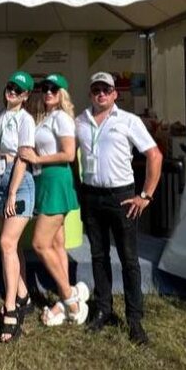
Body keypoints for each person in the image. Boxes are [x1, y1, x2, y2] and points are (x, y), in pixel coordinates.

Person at [74, 71, 162, 345]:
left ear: (115, 94)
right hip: (91, 196)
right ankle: (104, 310)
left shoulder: (128, 120)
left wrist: (145, 195)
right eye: (96, 89)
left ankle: (134, 320)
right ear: (90, 93)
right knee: (98, 256)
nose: (101, 94)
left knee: (129, 259)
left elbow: (154, 155)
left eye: (106, 89)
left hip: (122, 197)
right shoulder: (80, 121)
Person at [20, 73, 88, 326]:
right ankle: (66, 294)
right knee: (57, 244)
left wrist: (37, 159)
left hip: (56, 181)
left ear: (62, 94)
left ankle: (70, 299)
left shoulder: (61, 118)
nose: (48, 92)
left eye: (53, 89)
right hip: (45, 181)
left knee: (40, 244)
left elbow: (69, 154)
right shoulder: (45, 118)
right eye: (45, 88)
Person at [0, 70, 38, 342]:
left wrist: (12, 192)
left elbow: (23, 157)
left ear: (26, 95)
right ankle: (23, 296)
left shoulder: (25, 120)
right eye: (10, 87)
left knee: (6, 243)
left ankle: (10, 308)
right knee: (12, 246)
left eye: (19, 90)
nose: (13, 92)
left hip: (16, 182)